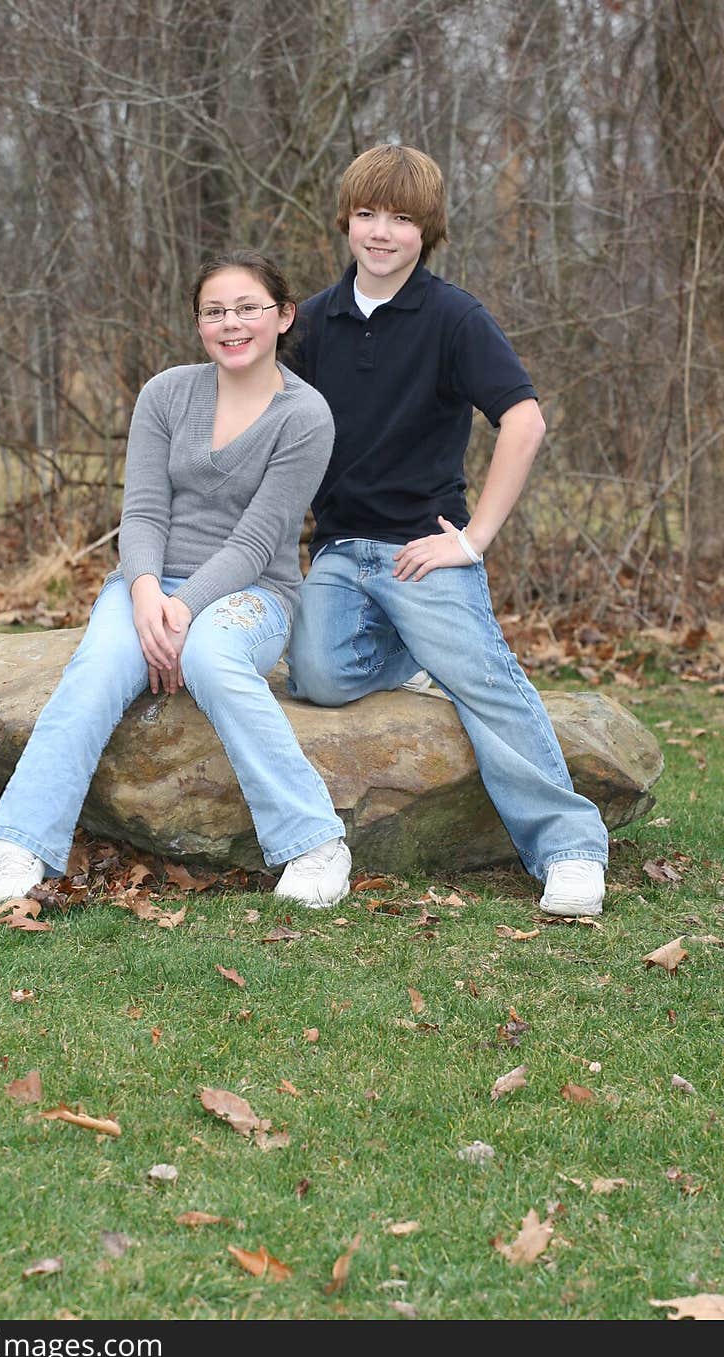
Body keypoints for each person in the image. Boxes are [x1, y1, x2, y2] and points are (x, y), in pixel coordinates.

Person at [285, 144, 608, 916]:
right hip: (338, 546)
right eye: (367, 214)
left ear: (427, 230)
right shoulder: (317, 321)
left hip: (422, 550)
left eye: (401, 218)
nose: (382, 232)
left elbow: (524, 422)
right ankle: (407, 653)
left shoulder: (453, 316)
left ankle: (569, 848)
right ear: (346, 221)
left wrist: (472, 542)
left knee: (483, 680)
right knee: (317, 678)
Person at [0, 251, 351, 910]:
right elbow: (144, 512)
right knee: (97, 667)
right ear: (199, 323)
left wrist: (181, 614)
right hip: (148, 582)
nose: (231, 324)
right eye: (215, 312)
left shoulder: (306, 415)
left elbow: (256, 541)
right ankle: (23, 841)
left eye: (248, 308)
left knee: (212, 656)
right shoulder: (167, 393)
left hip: (253, 594)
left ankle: (316, 842)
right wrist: (146, 592)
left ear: (284, 316)